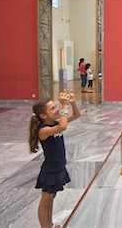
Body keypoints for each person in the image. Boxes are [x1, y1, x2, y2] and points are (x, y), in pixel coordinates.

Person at [29, 89, 81, 228]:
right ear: (43, 115)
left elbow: (77, 115)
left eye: (56, 106)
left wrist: (72, 102)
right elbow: (63, 126)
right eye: (53, 108)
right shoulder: (44, 130)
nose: (56, 109)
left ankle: (50, 225)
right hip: (50, 170)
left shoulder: (55, 122)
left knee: (52, 197)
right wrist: (64, 106)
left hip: (58, 166)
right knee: (45, 201)